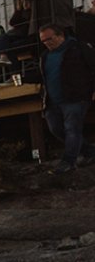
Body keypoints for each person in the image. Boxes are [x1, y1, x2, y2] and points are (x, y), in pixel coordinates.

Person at [38, 23, 95, 173]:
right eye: (43, 41)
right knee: (56, 128)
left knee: (72, 128)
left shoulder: (78, 48)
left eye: (49, 39)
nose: (46, 43)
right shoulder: (45, 57)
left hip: (76, 97)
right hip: (53, 101)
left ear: (60, 35)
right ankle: (90, 152)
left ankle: (68, 162)